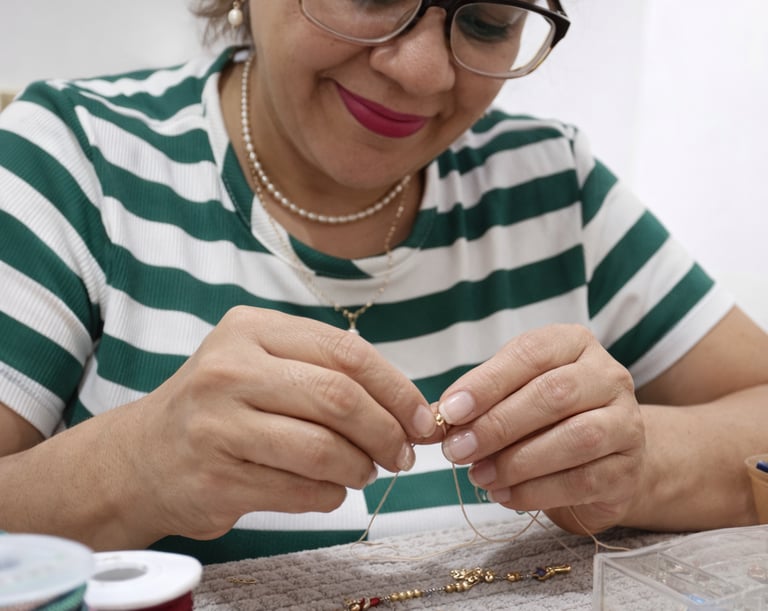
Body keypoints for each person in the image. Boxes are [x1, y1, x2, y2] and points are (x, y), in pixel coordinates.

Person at [1, 0, 767, 565]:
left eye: (490, 19)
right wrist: (135, 467)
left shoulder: (551, 185)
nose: (425, 70)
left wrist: (637, 462)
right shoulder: (72, 162)